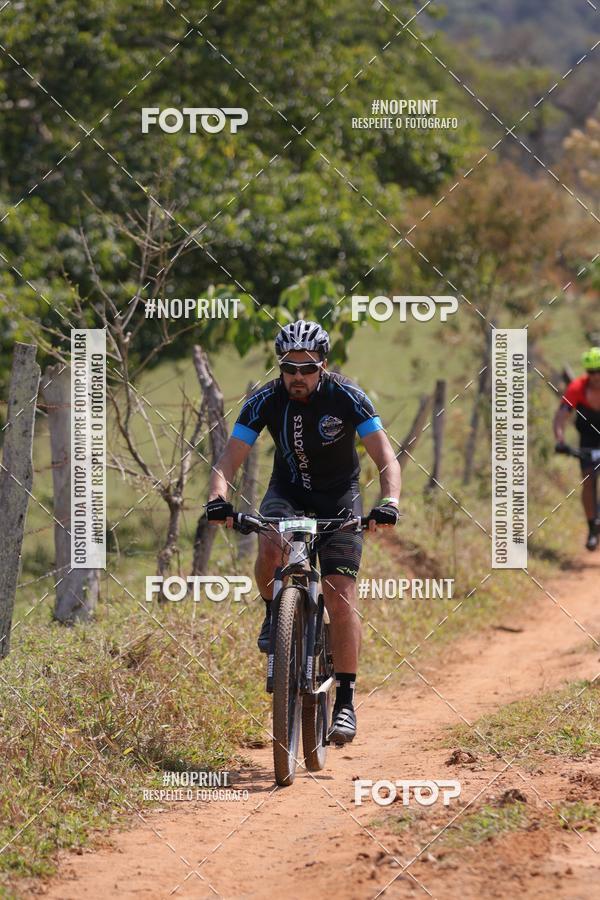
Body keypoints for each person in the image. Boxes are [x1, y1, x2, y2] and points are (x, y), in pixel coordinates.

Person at [205, 320, 401, 744]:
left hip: (339, 499)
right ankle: (275, 611)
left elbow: (386, 458)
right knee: (269, 541)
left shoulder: (348, 397)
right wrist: (218, 498)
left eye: (307, 368)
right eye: (289, 367)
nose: (297, 376)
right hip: (287, 492)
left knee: (339, 591)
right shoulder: (264, 400)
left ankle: (346, 701)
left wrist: (388, 503)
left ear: (323, 365)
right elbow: (228, 459)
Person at [554, 347, 600, 550]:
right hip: (588, 441)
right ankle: (592, 529)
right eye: (591, 371)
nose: (596, 375)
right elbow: (561, 416)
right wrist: (560, 440)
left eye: (599, 370)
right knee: (588, 481)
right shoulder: (577, 388)